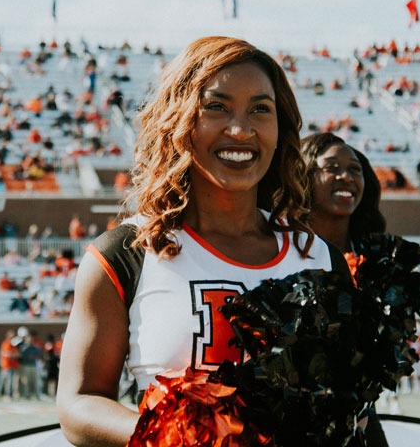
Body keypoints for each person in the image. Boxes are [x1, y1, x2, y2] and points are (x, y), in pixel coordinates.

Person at [56, 36, 348, 446]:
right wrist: (181, 437)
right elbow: (79, 403)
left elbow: (351, 408)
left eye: (260, 110)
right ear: (180, 120)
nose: (241, 129)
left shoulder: (319, 259)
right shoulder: (127, 253)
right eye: (217, 106)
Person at [301, 132, 397, 428]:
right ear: (303, 174)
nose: (346, 177)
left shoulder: (381, 265)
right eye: (331, 167)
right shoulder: (278, 254)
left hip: (358, 417)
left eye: (355, 169)